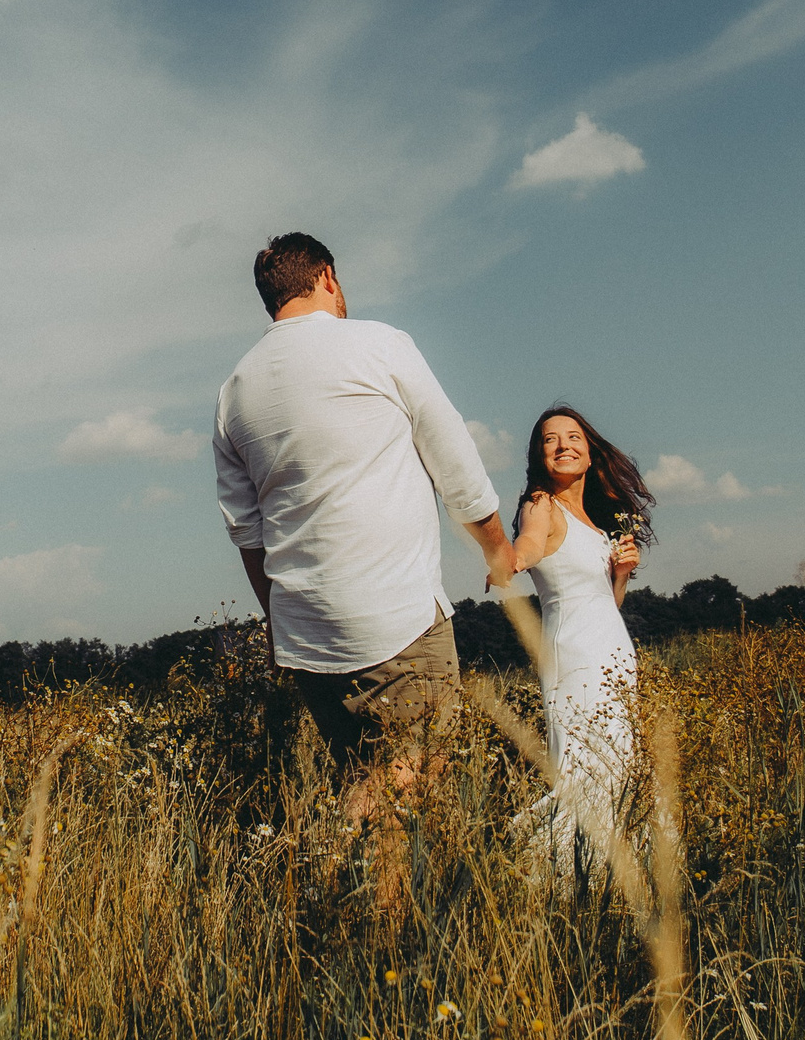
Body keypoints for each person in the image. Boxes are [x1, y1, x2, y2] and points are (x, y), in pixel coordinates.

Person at [214, 233, 515, 802]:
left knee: (361, 778)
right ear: (327, 276)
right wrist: (498, 548)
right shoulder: (378, 344)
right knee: (414, 793)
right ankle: (339, 876)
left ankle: (339, 874)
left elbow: (246, 534)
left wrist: (280, 625)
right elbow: (455, 461)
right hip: (394, 618)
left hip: (307, 636)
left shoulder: (234, 391)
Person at [510, 404, 655, 886]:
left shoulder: (595, 522)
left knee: (618, 762)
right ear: (539, 455)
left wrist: (621, 573)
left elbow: (607, 604)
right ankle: (565, 883)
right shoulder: (540, 504)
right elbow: (530, 545)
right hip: (573, 651)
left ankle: (615, 880)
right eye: (550, 439)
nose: (563, 445)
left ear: (590, 454)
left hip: (612, 648)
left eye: (573, 437)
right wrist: (510, 558)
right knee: (584, 763)